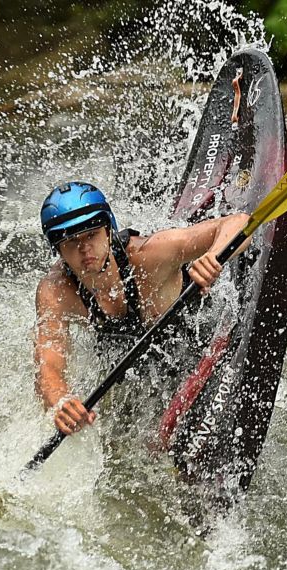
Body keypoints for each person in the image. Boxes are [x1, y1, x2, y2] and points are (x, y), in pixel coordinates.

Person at [34, 181, 251, 437]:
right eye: (71, 241)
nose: (84, 249)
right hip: (134, 368)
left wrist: (213, 256)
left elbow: (239, 222)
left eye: (91, 234)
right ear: (57, 248)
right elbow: (47, 364)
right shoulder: (55, 292)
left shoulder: (150, 254)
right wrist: (61, 402)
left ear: (108, 230)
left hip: (198, 337)